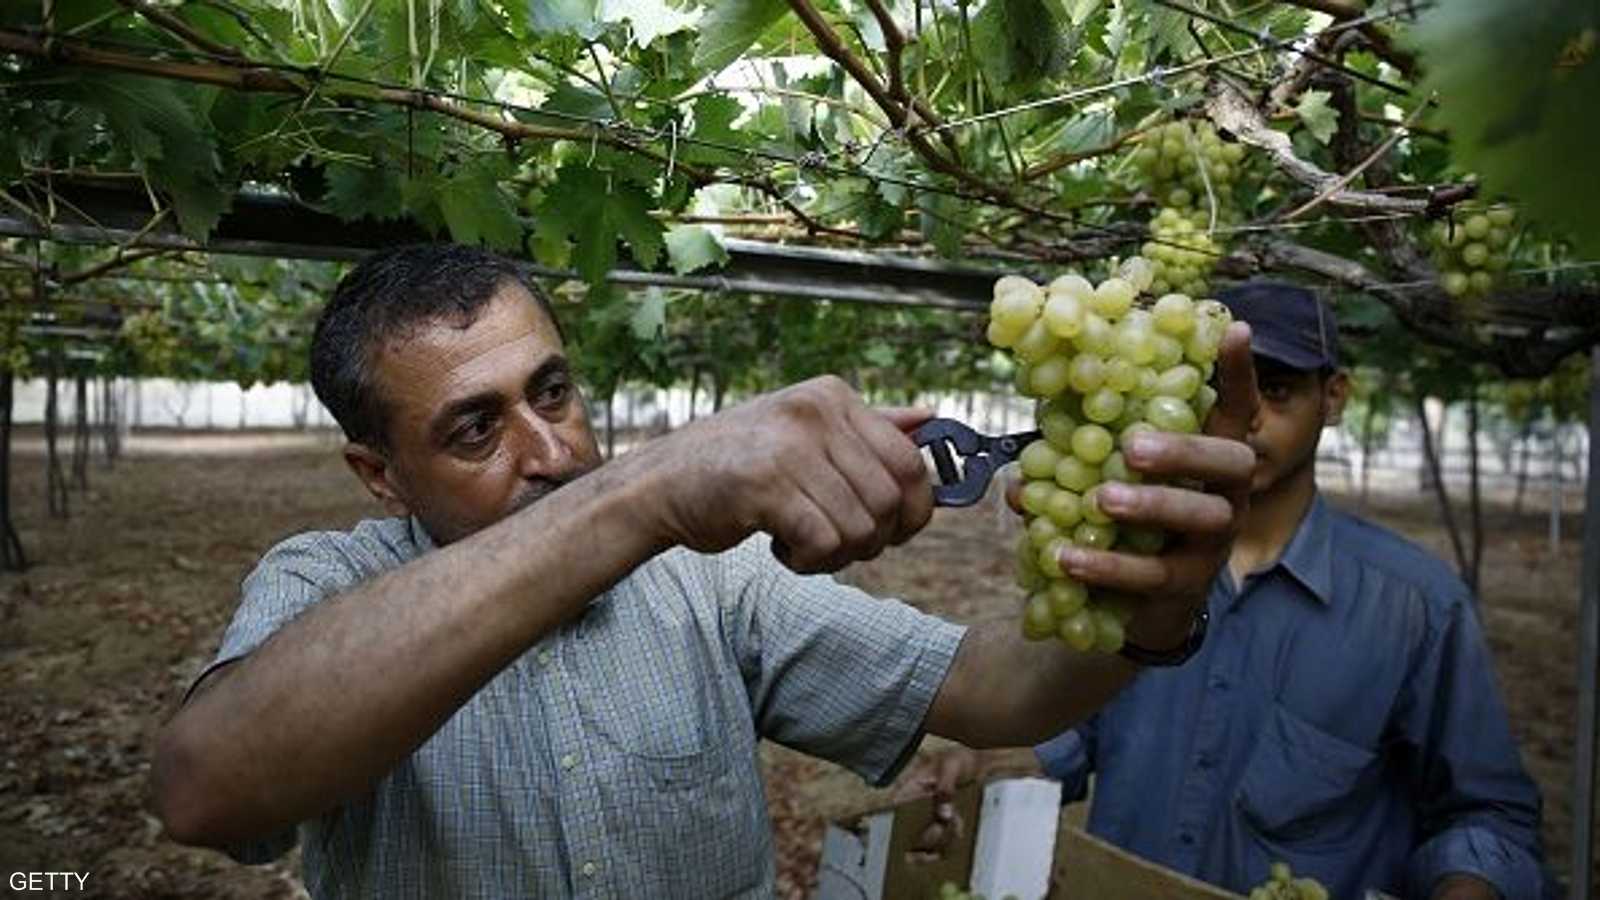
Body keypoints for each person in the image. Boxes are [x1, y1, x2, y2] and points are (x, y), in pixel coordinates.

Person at [148, 243, 1258, 898]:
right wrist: (647, 491)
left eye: (551, 392)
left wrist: (1146, 610)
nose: (551, 452)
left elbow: (999, 690)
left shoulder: (706, 587)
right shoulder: (324, 585)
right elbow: (206, 789)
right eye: (474, 430)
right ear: (378, 476)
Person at [912, 281, 1545, 900]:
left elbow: (1489, 815)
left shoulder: (1418, 606)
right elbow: (1079, 728)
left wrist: (1469, 884)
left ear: (1335, 397)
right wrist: (1004, 756)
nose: (1247, 414)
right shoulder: (1129, 566)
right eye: (1224, 387)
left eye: (1277, 388)